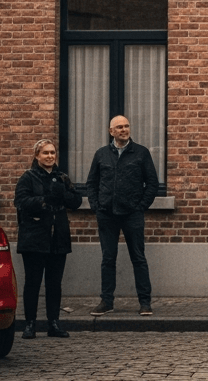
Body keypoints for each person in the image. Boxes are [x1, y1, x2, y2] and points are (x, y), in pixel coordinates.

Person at [86, 114, 159, 316]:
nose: (124, 130)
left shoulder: (141, 153)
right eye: (119, 127)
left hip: (132, 214)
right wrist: (96, 206)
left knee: (138, 258)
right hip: (107, 215)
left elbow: (152, 183)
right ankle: (106, 302)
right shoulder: (101, 154)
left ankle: (145, 302)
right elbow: (91, 183)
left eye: (126, 126)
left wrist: (140, 206)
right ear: (111, 131)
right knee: (108, 259)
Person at [14, 138, 83, 339]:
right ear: (37, 156)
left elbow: (76, 201)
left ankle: (53, 323)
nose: (50, 156)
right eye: (45, 153)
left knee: (54, 283)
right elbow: (20, 201)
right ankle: (30, 324)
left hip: (57, 238)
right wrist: (44, 200)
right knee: (33, 282)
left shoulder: (62, 177)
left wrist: (64, 196)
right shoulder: (28, 177)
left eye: (52, 153)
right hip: (34, 238)